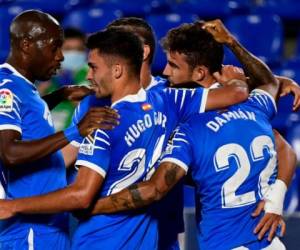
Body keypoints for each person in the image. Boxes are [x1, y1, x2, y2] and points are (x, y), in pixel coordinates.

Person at [0, 25, 251, 249]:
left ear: (117, 70)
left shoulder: (103, 123)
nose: (88, 75)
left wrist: (14, 205)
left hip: (99, 238)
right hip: (145, 236)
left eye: (93, 67)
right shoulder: (168, 99)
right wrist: (238, 78)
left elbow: (81, 195)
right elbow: (237, 94)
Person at [63, 20, 295, 249]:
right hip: (112, 233)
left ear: (142, 51)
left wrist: (84, 205)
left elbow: (155, 188)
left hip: (168, 231)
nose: (166, 70)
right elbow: (275, 120)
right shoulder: (95, 103)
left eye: (173, 65)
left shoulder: (176, 104)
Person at [0, 10, 119, 250]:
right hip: (27, 231)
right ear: (26, 45)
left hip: (49, 225)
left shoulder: (26, 89)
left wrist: (59, 95)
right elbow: (9, 152)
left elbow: (27, 118)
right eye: (54, 48)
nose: (60, 57)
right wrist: (76, 131)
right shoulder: (6, 88)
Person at [38, 27, 89, 131]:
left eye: (79, 49)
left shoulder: (92, 75)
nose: (74, 54)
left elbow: (90, 113)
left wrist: (69, 90)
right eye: (68, 49)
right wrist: (41, 90)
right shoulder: (45, 75)